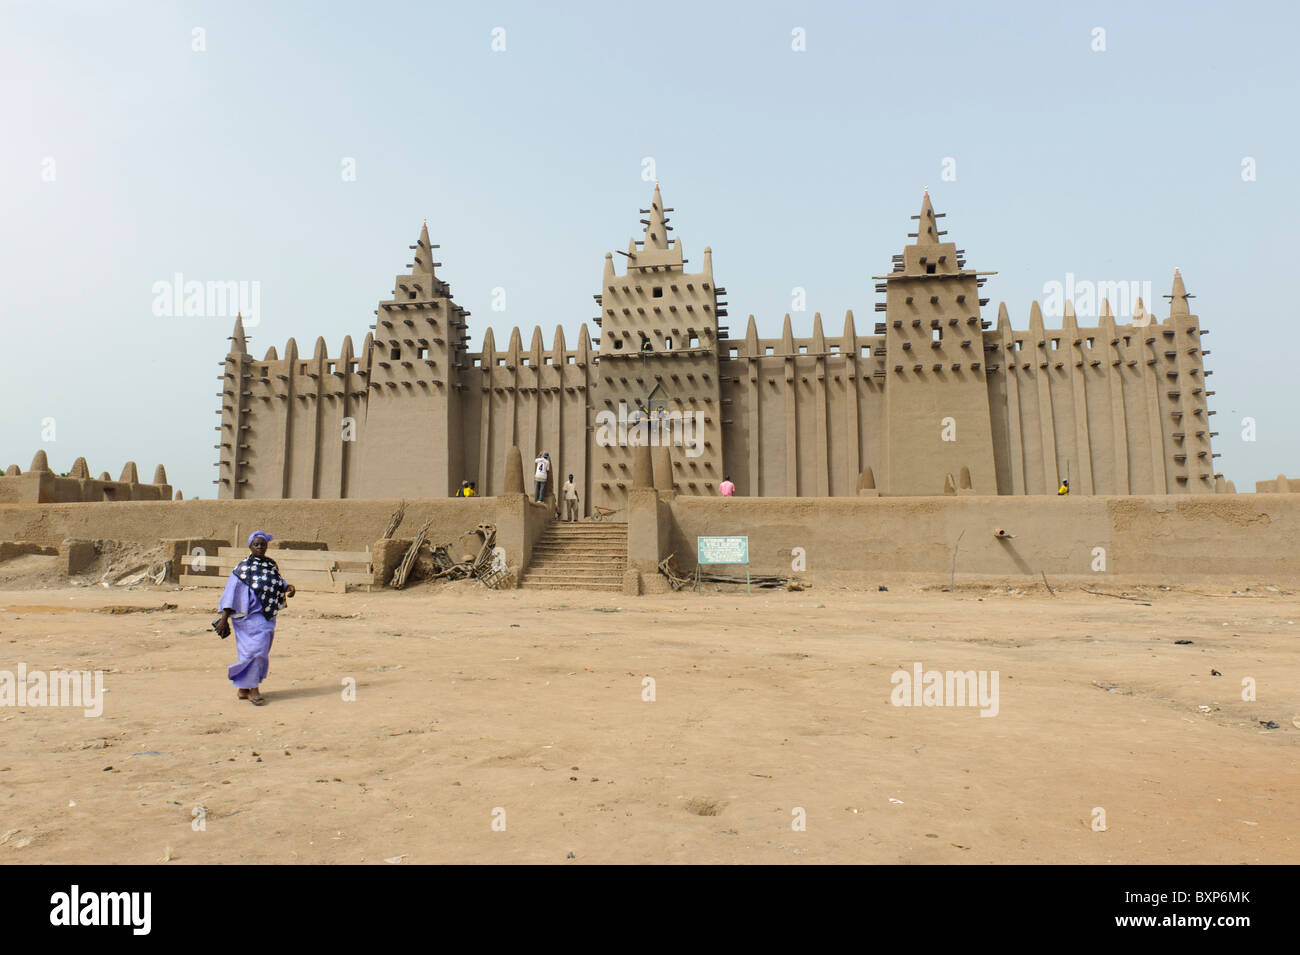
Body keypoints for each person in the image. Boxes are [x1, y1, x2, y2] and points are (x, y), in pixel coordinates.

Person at [214, 531, 294, 706]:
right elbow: (230, 594)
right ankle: (254, 690)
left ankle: (243, 688)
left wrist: (288, 587)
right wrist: (223, 619)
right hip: (246, 619)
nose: (259, 547)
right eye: (256, 544)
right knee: (253, 653)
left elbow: (277, 581)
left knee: (258, 652)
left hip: (265, 617)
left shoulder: (270, 565)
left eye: (262, 544)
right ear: (250, 546)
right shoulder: (242, 568)